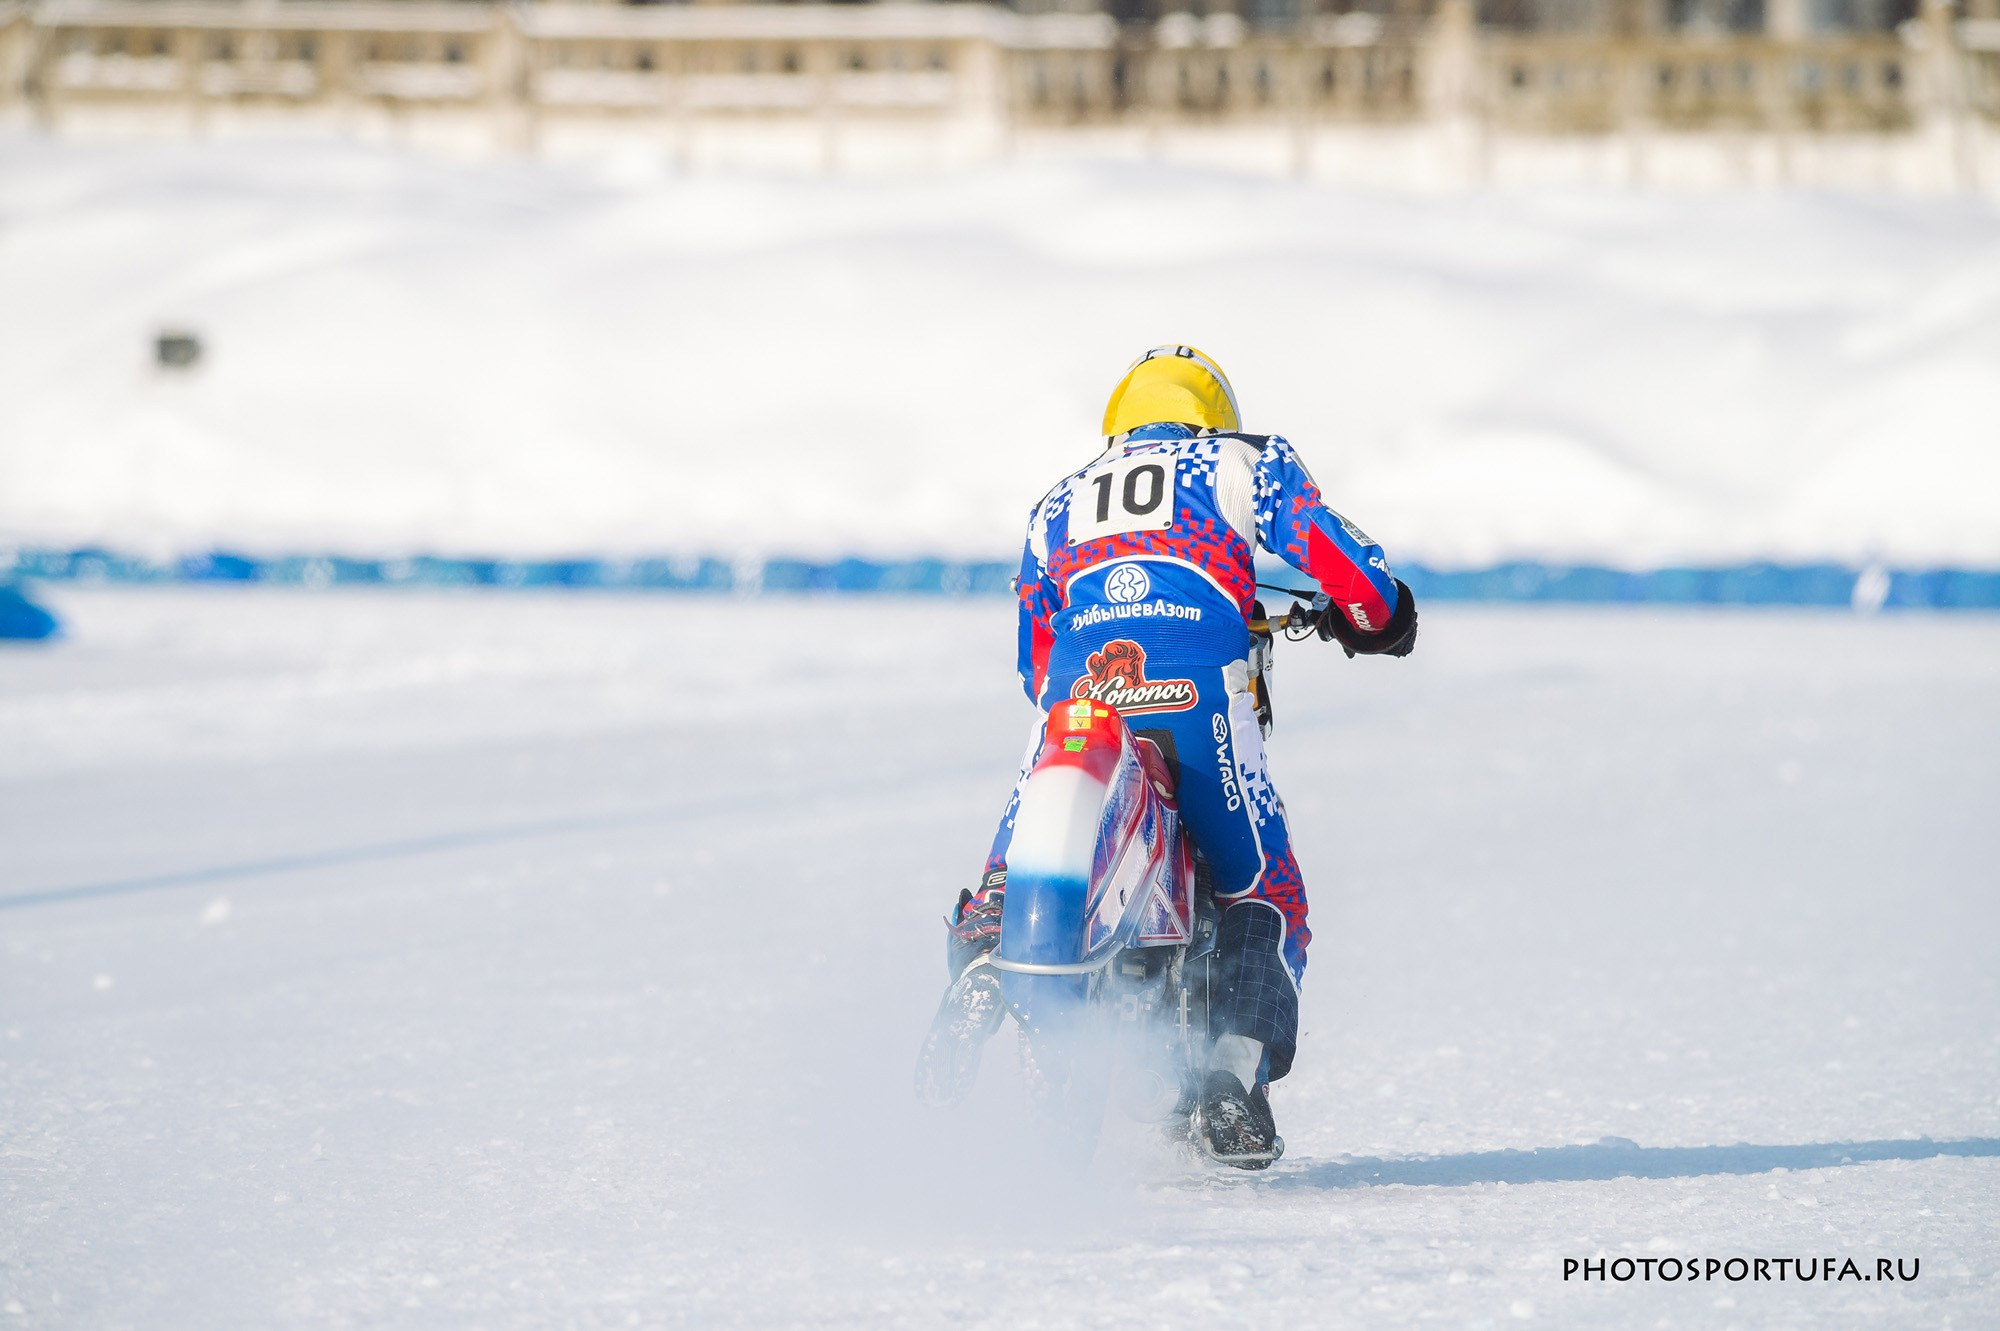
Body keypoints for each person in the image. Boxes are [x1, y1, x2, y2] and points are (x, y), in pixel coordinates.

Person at [946, 345, 1417, 1165]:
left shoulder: (1054, 503)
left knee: (1021, 840)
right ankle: (1232, 1072)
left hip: (1078, 695)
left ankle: (988, 937)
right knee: (1265, 894)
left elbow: (1034, 654)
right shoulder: (1241, 461)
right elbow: (1344, 564)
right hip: (1197, 694)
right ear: (1212, 412)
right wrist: (1379, 615)